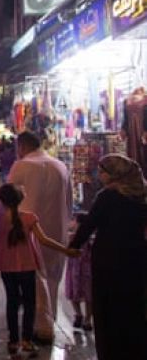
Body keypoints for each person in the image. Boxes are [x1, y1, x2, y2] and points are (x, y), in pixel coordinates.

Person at [68, 154, 147, 360]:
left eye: (103, 171)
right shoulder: (141, 196)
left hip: (108, 259)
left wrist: (73, 246)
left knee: (107, 308)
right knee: (133, 306)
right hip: (137, 257)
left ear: (114, 174)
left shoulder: (107, 197)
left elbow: (89, 225)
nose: (99, 175)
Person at [0, 184, 78, 355]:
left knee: (12, 302)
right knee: (29, 303)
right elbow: (44, 240)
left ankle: (13, 341)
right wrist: (66, 250)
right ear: (20, 199)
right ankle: (27, 340)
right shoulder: (30, 218)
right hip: (27, 266)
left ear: (1, 200)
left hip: (6, 266)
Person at [7, 131, 72, 344]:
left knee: (33, 279)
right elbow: (69, 201)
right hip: (57, 230)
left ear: (22, 147)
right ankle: (48, 319)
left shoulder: (22, 165)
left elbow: (7, 200)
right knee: (53, 277)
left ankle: (41, 326)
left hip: (28, 230)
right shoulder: (60, 166)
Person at [65, 212, 93, 332]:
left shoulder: (77, 237)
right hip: (81, 269)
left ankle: (83, 317)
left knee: (82, 294)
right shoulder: (88, 238)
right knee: (83, 294)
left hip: (81, 269)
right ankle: (83, 318)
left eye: (74, 220)